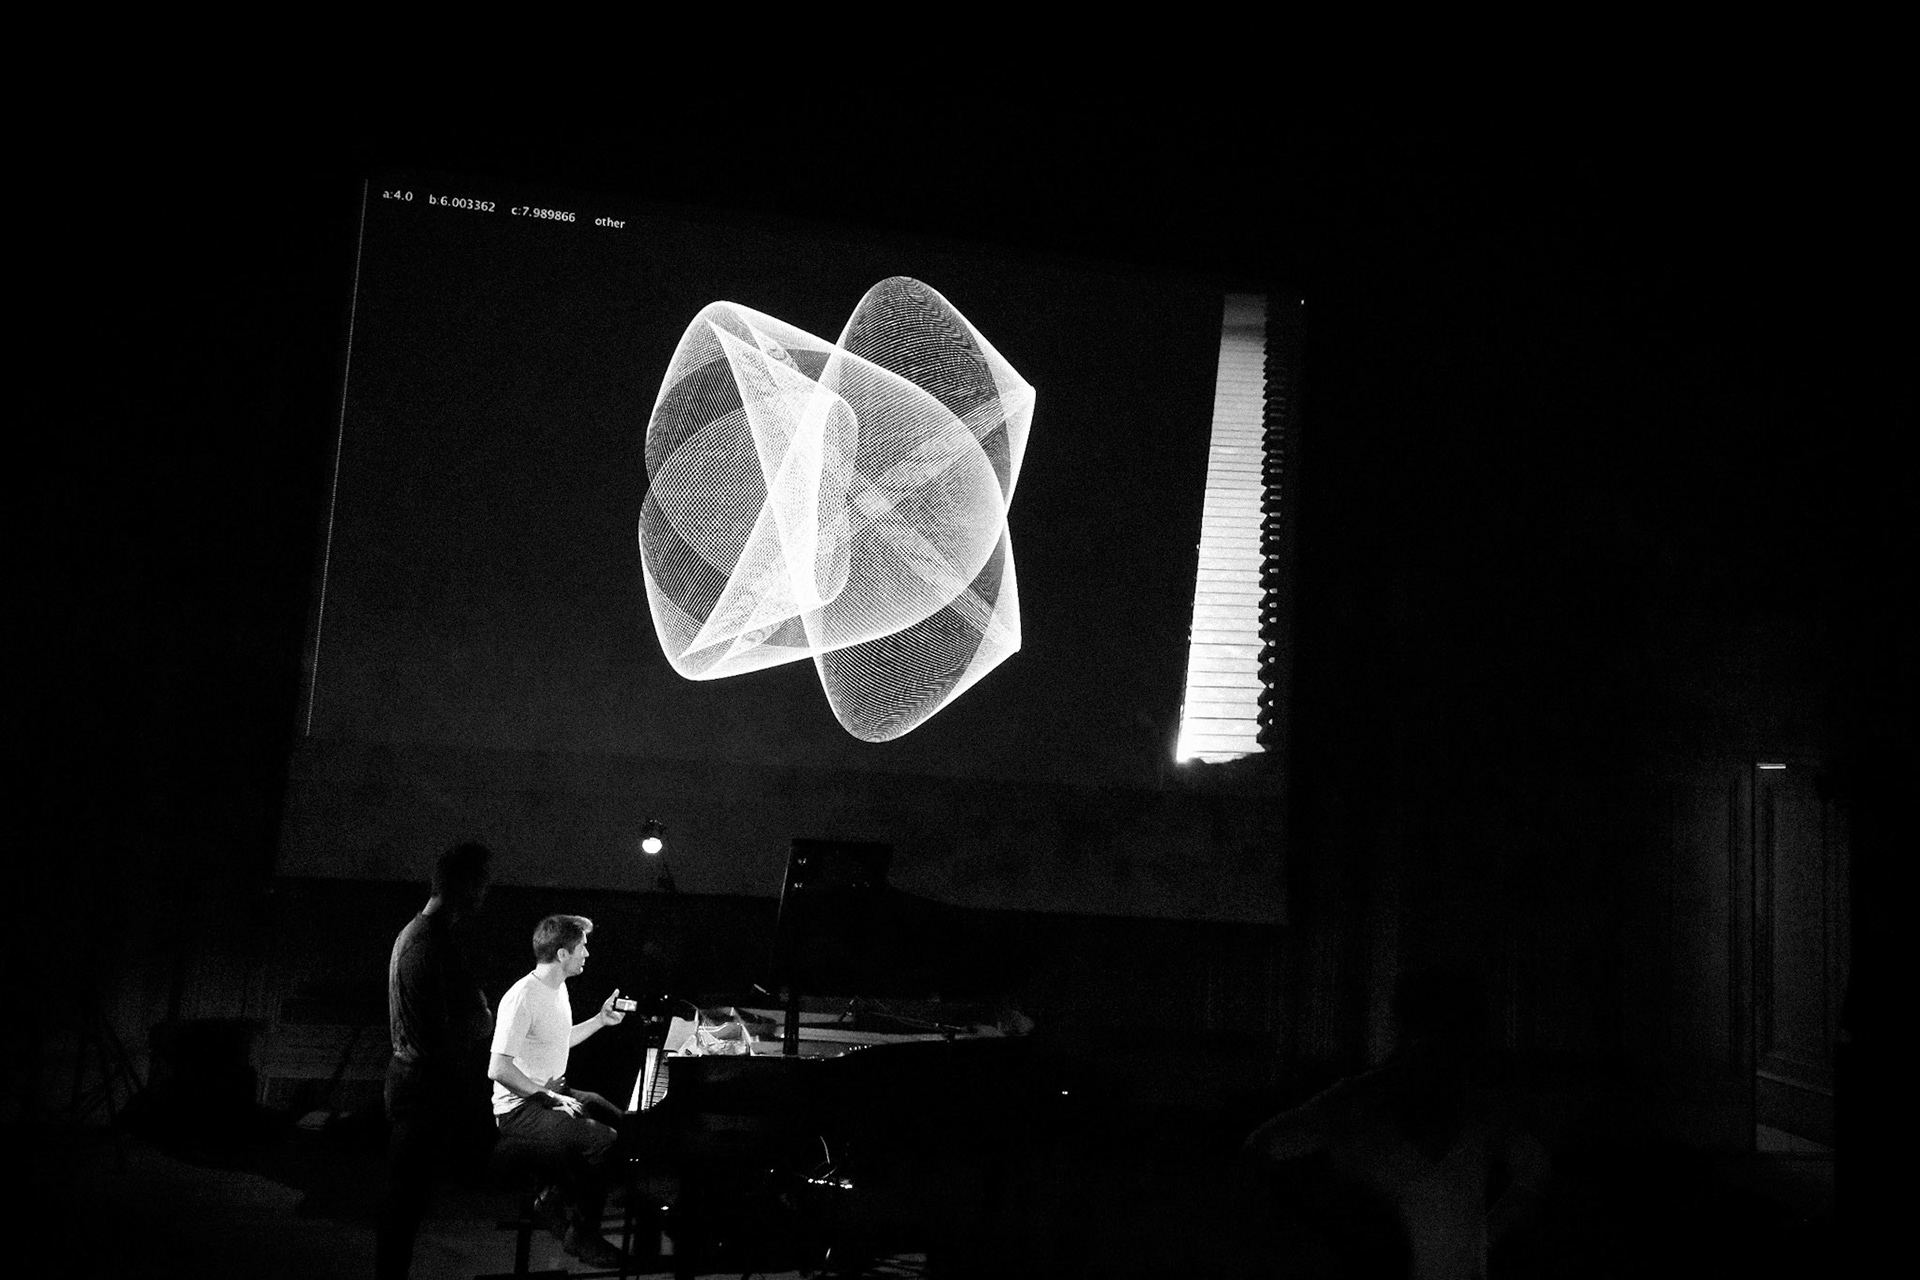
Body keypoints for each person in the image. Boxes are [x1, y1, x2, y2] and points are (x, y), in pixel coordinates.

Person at [376, 840, 496, 1280]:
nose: (485, 892)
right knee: (403, 1205)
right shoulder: (428, 944)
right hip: (421, 1086)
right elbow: (442, 1032)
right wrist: (481, 1018)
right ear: (466, 885)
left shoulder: (422, 936)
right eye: (482, 882)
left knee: (405, 1203)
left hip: (417, 1081)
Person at [488, 913, 632, 1268]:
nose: (588, 953)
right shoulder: (522, 996)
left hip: (549, 1092)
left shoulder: (557, 987)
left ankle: (552, 1196)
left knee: (619, 1120)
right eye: (583, 946)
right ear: (563, 954)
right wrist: (548, 1097)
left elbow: (559, 1041)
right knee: (603, 1139)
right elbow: (498, 1068)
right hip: (517, 1110)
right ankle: (582, 1235)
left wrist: (600, 1020)